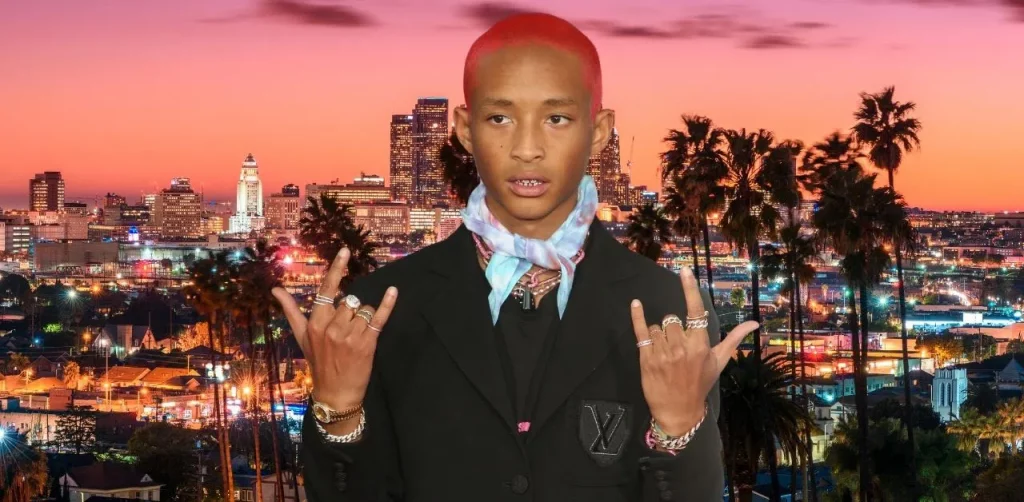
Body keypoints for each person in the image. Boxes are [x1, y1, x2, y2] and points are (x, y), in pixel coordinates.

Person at [273, 12, 758, 501]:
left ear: (599, 130)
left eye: (556, 118)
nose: (527, 149)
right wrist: (338, 411)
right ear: (465, 129)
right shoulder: (381, 308)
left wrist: (681, 428)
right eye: (500, 118)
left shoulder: (668, 310)